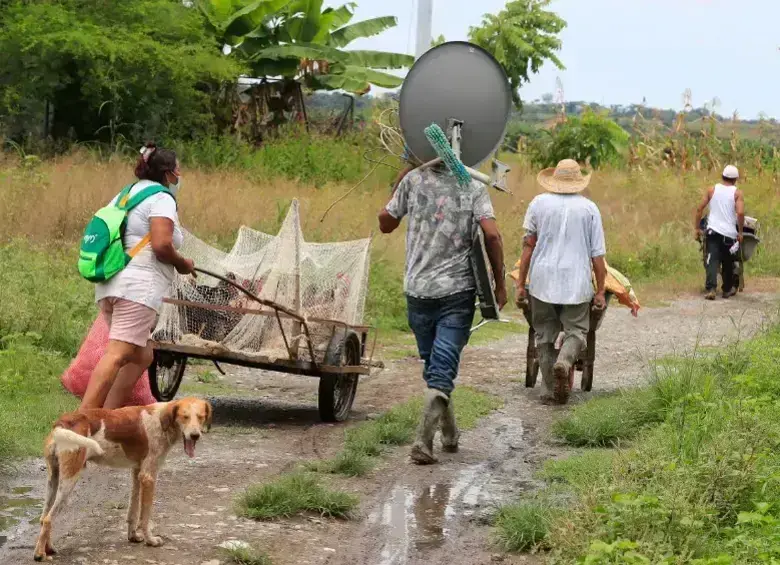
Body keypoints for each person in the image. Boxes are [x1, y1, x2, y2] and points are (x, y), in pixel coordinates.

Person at [378, 165, 507, 465]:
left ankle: (449, 434)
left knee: (435, 365)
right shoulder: (473, 186)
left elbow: (385, 223)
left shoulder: (412, 180)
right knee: (441, 366)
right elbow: (492, 236)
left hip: (417, 292)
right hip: (456, 293)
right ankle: (423, 442)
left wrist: (402, 177)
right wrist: (499, 284)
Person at [80, 143, 195, 410]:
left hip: (110, 284)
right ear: (168, 174)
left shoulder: (126, 194)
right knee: (117, 355)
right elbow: (162, 245)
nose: (180, 175)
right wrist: (183, 263)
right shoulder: (162, 199)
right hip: (137, 290)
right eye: (178, 169)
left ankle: (108, 419)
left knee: (142, 356)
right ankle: (80, 424)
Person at [513, 159, 607, 405]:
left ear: (554, 180)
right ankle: (565, 361)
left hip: (542, 280)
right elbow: (597, 257)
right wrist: (600, 291)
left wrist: (521, 284)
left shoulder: (538, 204)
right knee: (577, 331)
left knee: (544, 333)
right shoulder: (589, 209)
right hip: (576, 281)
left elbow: (528, 247)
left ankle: (547, 390)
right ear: (577, 182)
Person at [694, 165, 745, 300]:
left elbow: (699, 209)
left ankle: (711, 289)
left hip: (713, 231)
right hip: (729, 234)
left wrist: (696, 228)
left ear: (722, 176)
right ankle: (727, 290)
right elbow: (740, 213)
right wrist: (740, 232)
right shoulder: (737, 193)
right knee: (728, 261)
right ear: (735, 179)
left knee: (712, 259)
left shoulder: (712, 190)